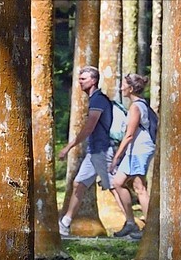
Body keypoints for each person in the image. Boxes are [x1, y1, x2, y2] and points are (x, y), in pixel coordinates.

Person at [60, 66, 117, 234]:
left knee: (115, 186)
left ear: (93, 80)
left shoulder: (98, 100)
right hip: (95, 150)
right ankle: (65, 223)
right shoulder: (95, 99)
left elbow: (89, 128)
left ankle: (131, 224)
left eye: (83, 79)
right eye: (79, 79)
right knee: (79, 184)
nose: (80, 82)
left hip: (102, 150)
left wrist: (68, 147)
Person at [109, 74, 158, 236]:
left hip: (140, 149)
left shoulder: (136, 107)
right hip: (134, 150)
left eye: (123, 85)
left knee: (139, 187)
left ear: (130, 89)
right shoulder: (140, 104)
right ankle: (130, 222)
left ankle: (151, 228)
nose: (121, 88)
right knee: (118, 182)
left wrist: (116, 157)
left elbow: (129, 135)